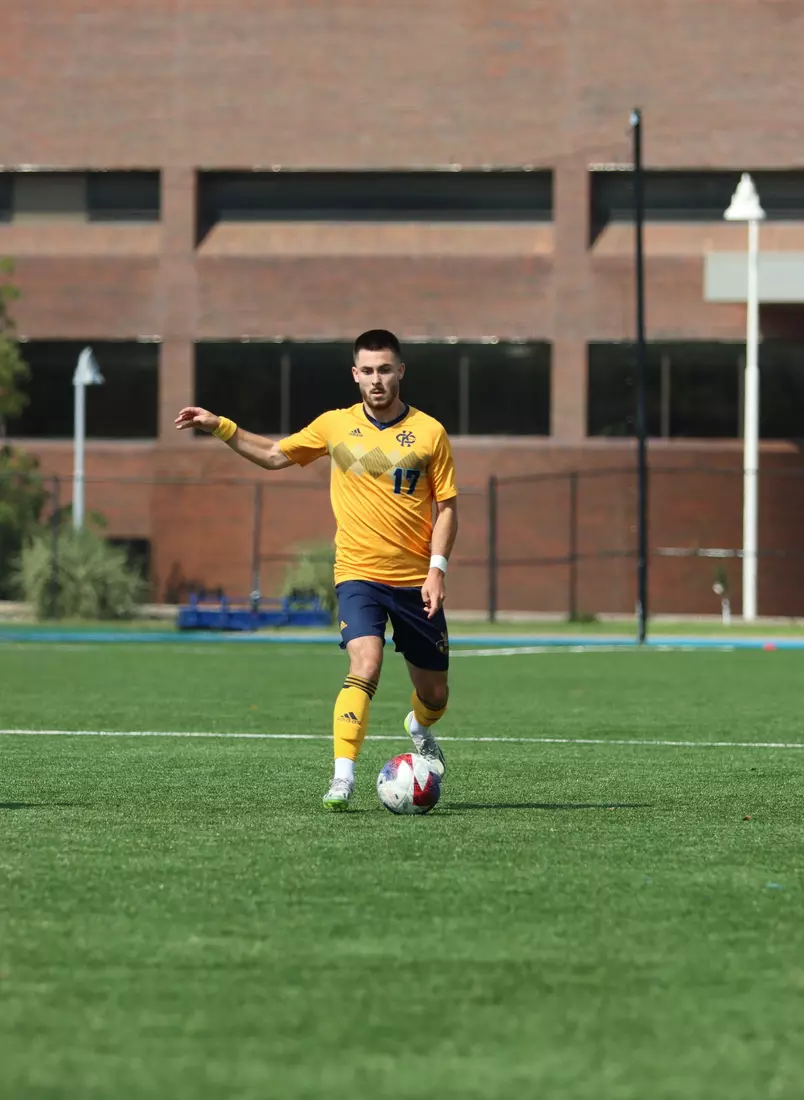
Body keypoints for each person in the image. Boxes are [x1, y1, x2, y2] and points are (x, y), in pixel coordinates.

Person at [175, 329, 458, 810]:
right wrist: (219, 424)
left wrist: (437, 570)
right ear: (355, 374)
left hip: (415, 582)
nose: (376, 380)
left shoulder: (430, 433)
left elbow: (447, 506)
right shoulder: (334, 426)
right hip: (358, 574)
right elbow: (272, 455)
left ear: (400, 371)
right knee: (365, 664)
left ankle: (420, 727)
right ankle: (342, 778)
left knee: (434, 693)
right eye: (367, 371)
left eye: (385, 369)